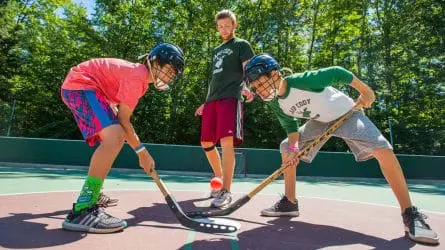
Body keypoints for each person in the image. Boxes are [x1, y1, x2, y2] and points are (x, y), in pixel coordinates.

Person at [243, 54, 439, 245]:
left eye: (261, 83)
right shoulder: (276, 102)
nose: (260, 90)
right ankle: (289, 203)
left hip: (348, 113)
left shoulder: (302, 81)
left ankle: (410, 213)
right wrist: (294, 149)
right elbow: (290, 127)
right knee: (286, 147)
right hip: (319, 122)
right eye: (256, 87)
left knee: (383, 150)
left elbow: (338, 72)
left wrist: (365, 90)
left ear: (275, 74)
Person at [60, 43, 185, 233]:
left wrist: (140, 151)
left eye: (174, 71)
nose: (171, 74)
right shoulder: (137, 77)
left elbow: (122, 120)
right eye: (169, 67)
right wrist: (142, 153)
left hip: (90, 89)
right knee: (115, 136)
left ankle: (93, 193)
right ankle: (83, 209)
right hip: (81, 85)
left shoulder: (138, 78)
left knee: (115, 136)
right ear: (154, 61)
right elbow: (124, 121)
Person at [194, 9, 255, 208]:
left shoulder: (241, 45)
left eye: (227, 25)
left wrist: (249, 87)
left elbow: (249, 69)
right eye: (220, 26)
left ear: (234, 26)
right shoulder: (216, 50)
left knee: (226, 142)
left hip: (231, 98)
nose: (224, 29)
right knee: (205, 142)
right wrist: (206, 102)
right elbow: (214, 79)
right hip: (213, 100)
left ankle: (226, 191)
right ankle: (218, 178)